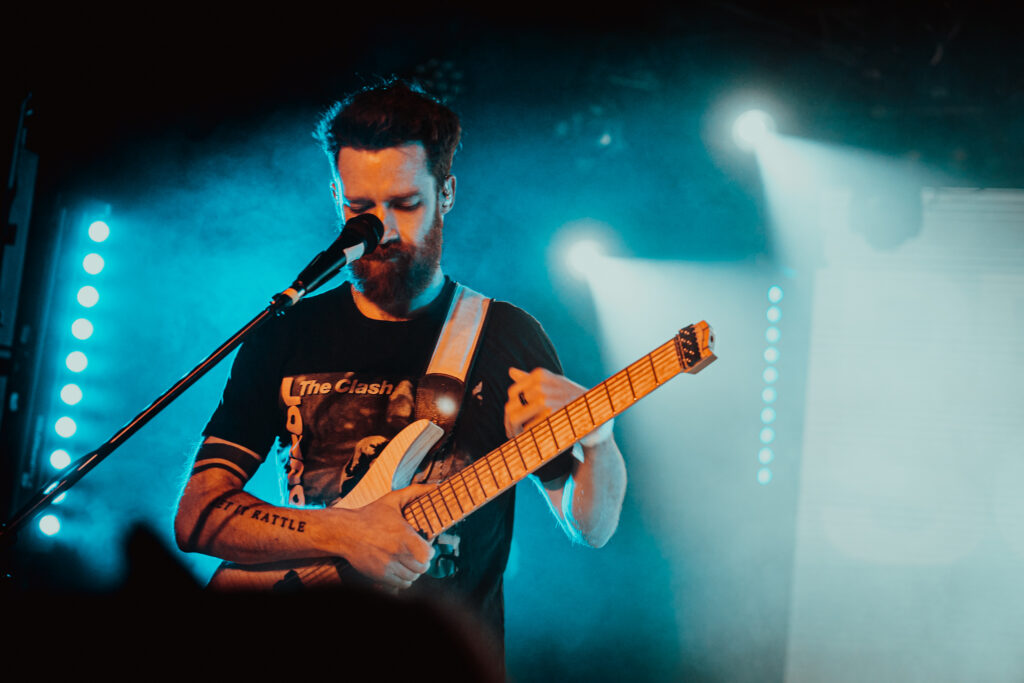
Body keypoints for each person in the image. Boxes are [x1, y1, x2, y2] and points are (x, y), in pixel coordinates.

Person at [173, 79, 627, 654]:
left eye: (406, 204)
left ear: (446, 193)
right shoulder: (286, 331)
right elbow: (197, 515)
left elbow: (589, 526)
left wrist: (601, 444)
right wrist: (346, 533)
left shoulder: (505, 336)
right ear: (336, 194)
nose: (381, 231)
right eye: (359, 209)